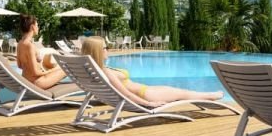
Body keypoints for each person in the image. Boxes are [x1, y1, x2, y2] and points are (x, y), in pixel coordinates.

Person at [79, 37, 223, 106]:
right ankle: (211, 96)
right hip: (147, 95)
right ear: (97, 51)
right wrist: (148, 104)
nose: (108, 50)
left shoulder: (92, 69)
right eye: (105, 48)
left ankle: (204, 98)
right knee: (183, 93)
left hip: (145, 90)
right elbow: (125, 94)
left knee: (181, 93)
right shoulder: (106, 72)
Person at [16, 14, 67, 88]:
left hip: (26, 80)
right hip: (36, 82)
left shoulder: (20, 43)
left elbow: (19, 65)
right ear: (32, 27)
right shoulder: (29, 46)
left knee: (55, 67)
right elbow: (36, 73)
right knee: (66, 69)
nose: (38, 28)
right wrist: (52, 70)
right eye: (37, 25)